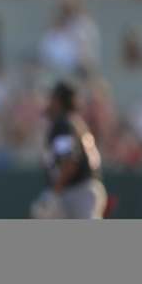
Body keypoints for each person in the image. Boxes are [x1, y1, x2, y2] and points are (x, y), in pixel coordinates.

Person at [30, 81, 106, 219]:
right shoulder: (75, 122)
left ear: (58, 101)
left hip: (78, 191)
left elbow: (70, 161)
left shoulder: (63, 124)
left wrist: (54, 192)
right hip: (83, 189)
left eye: (51, 98)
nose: (49, 103)